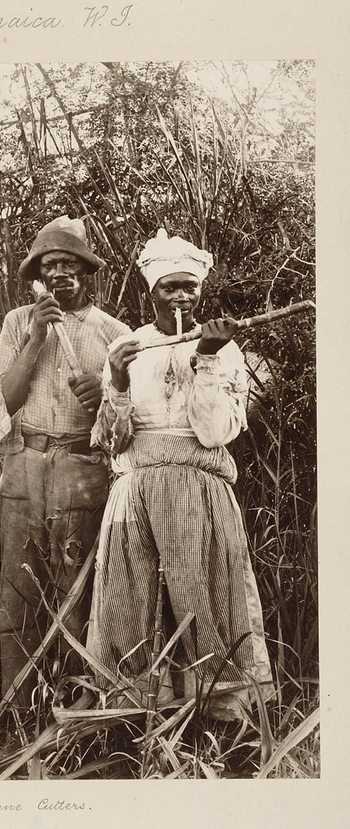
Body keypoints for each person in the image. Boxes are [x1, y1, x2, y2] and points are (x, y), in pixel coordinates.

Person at [87, 228, 273, 720]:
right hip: (137, 490)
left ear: (201, 291)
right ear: (150, 293)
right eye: (169, 287)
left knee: (205, 594)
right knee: (132, 595)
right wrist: (120, 380)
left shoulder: (226, 349)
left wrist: (208, 358)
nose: (181, 297)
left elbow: (214, 433)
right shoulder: (128, 347)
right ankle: (134, 714)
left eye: (189, 287)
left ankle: (220, 713)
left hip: (199, 488)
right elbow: (111, 441)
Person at [0, 216, 131, 707]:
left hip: (80, 467)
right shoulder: (16, 323)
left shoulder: (115, 333)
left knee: (78, 583)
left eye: (70, 264)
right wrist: (35, 338)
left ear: (86, 273)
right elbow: (4, 400)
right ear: (37, 276)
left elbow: (123, 429)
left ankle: (78, 707)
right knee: (18, 586)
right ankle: (18, 707)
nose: (60, 274)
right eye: (50, 266)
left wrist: (102, 398)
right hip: (24, 462)